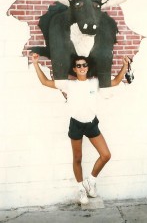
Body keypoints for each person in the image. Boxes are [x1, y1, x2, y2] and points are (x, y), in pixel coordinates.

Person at [31, 53, 130, 205]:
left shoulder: (95, 82)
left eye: (84, 65)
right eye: (79, 66)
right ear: (74, 69)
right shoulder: (68, 84)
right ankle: (81, 189)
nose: (82, 68)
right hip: (76, 124)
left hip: (91, 123)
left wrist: (124, 66)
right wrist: (36, 63)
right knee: (77, 159)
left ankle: (91, 180)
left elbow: (116, 81)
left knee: (106, 155)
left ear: (87, 67)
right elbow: (45, 82)